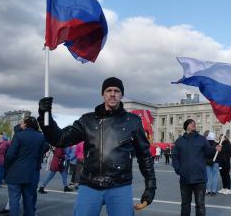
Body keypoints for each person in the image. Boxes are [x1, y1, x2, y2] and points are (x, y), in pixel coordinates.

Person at [37, 77, 156, 215]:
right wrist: (45, 116)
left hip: (120, 186)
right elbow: (60, 139)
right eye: (108, 90)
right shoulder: (87, 120)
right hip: (90, 185)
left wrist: (150, 186)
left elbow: (144, 156)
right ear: (103, 94)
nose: (112, 93)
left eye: (116, 91)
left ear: (121, 95)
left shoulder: (133, 121)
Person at [172, 118, 221, 216]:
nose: (194, 124)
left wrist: (215, 149)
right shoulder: (179, 141)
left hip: (200, 178)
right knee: (185, 204)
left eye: (194, 123)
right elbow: (175, 158)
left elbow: (208, 152)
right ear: (186, 126)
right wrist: (179, 170)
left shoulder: (202, 139)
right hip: (185, 178)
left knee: (200, 205)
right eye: (191, 123)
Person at [4, 116, 45, 216]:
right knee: (28, 199)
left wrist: (7, 168)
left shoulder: (19, 136)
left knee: (14, 199)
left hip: (15, 172)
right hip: (31, 172)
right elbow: (40, 154)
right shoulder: (40, 137)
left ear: (25, 124)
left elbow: (10, 155)